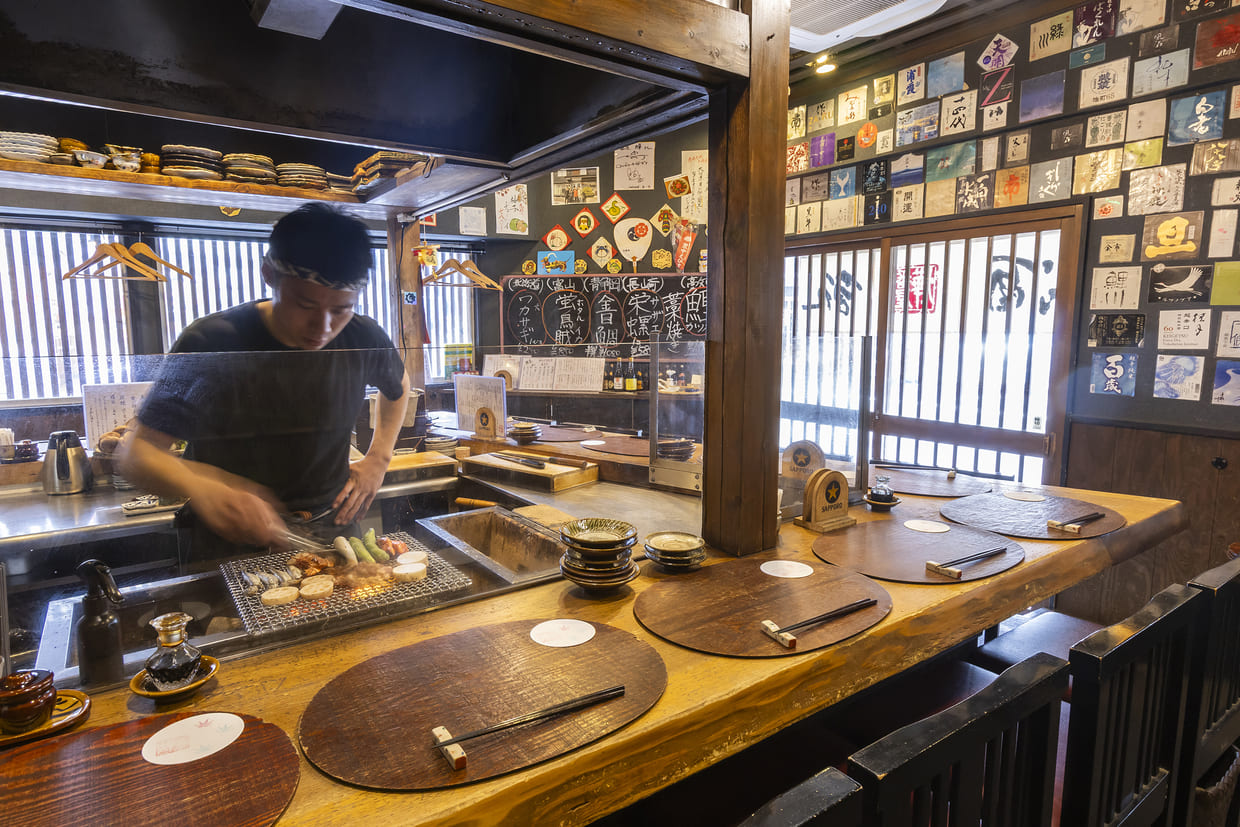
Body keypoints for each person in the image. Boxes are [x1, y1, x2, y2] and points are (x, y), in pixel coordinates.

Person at [120, 203, 410, 556]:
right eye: (305, 305)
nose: (323, 328)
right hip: (227, 540)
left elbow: (398, 386)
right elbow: (138, 455)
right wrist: (205, 487)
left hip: (331, 531)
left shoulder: (363, 337)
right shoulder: (212, 341)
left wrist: (378, 459)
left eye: (341, 309)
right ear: (269, 273)